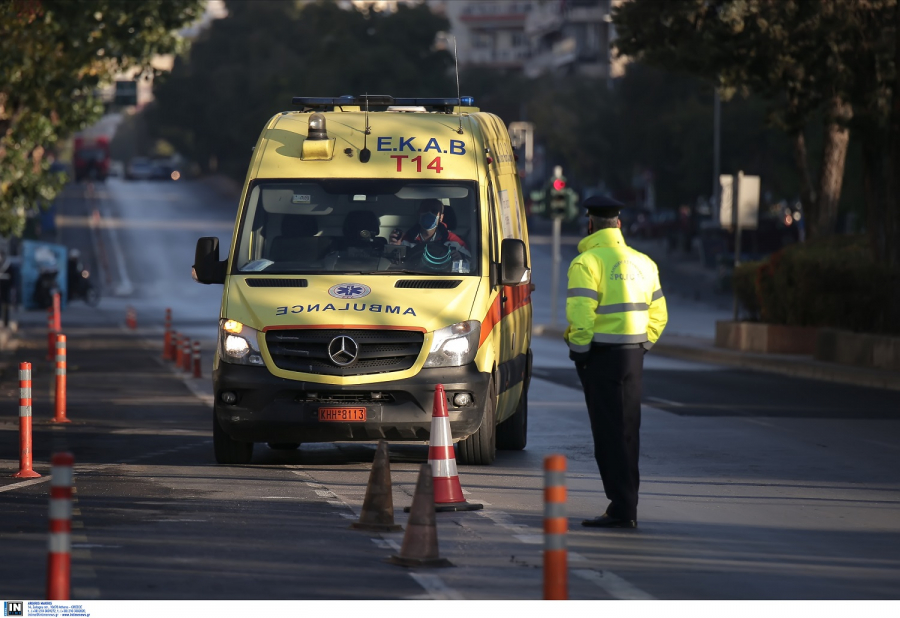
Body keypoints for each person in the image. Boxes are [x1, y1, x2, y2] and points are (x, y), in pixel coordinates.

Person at [564, 195, 668, 529]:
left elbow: (581, 315)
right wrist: (643, 344)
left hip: (601, 358)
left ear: (590, 224)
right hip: (633, 357)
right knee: (628, 432)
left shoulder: (586, 263)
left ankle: (622, 508)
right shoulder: (644, 263)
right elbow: (660, 315)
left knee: (607, 434)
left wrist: (579, 352)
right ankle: (626, 504)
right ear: (619, 224)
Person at [390, 198, 468, 250]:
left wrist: (460, 257)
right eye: (425, 209)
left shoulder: (454, 241)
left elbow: (468, 263)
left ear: (441, 217)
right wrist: (395, 247)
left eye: (434, 211)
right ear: (419, 213)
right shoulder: (405, 239)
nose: (429, 213)